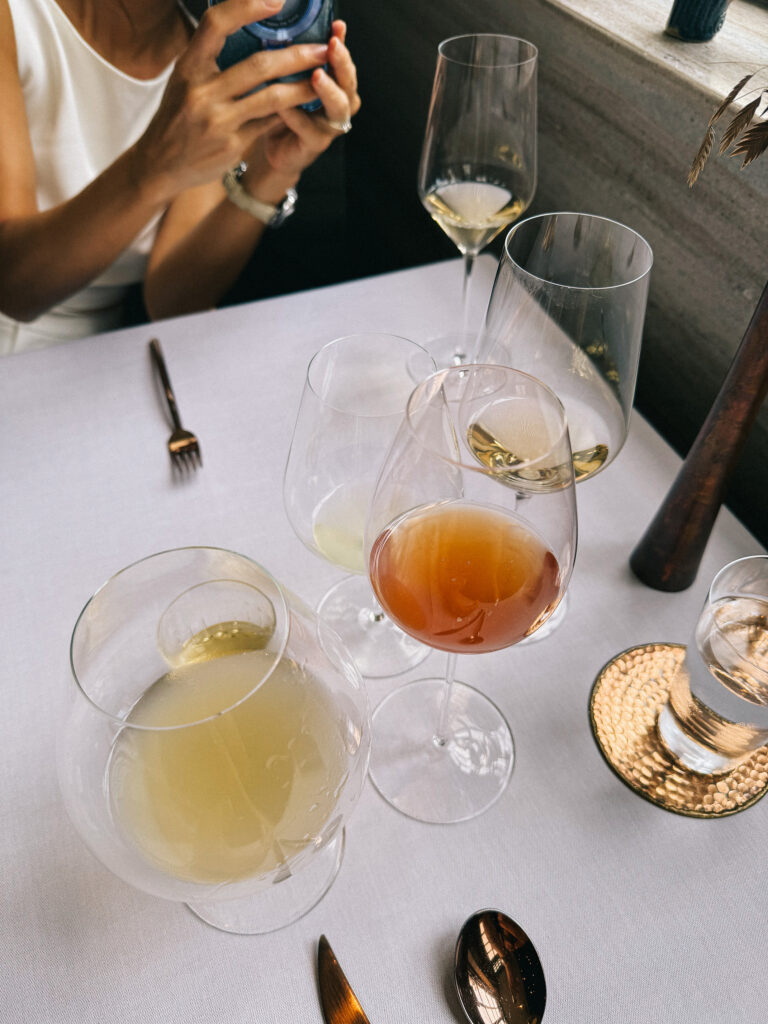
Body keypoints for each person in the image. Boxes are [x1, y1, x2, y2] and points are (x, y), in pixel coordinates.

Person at [0, 0, 360, 354]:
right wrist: (155, 166)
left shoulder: (210, 57)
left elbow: (173, 301)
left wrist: (273, 173)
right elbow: (13, 288)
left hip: (97, 362)